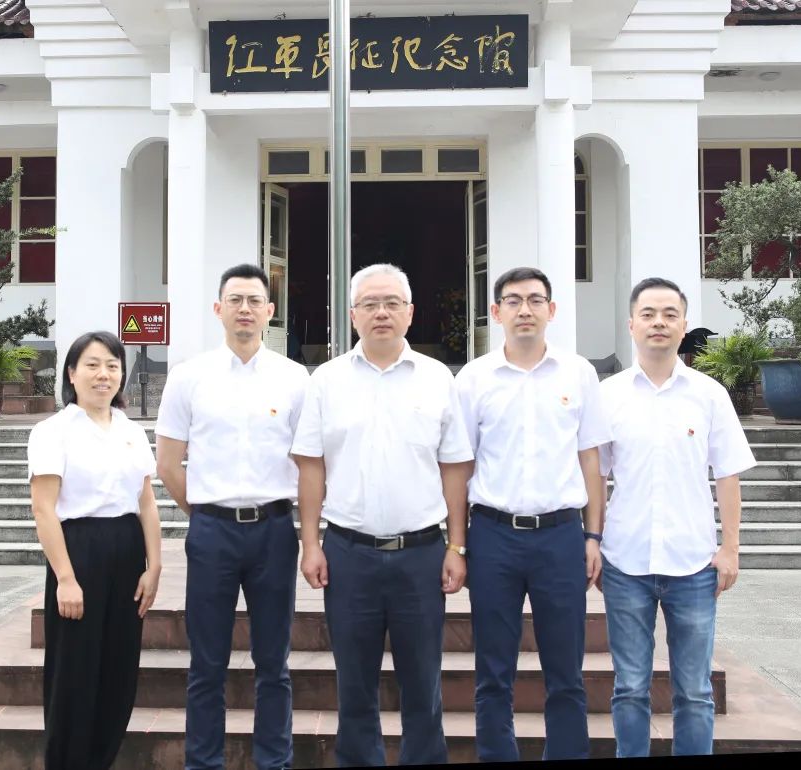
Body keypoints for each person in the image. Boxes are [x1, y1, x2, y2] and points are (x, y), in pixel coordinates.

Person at [291, 263, 474, 766]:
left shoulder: (437, 379)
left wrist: (456, 546)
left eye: (392, 303)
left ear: (410, 313)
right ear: (352, 315)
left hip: (421, 555)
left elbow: (454, 468)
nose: (381, 313)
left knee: (424, 685)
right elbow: (311, 467)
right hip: (349, 555)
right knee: (354, 687)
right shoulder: (326, 381)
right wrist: (311, 544)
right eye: (370, 304)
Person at [154, 263, 309, 770]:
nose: (245, 309)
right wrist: (204, 513)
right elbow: (167, 462)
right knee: (207, 663)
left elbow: (309, 461)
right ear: (218, 309)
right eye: (235, 300)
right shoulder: (189, 377)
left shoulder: (294, 379)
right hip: (212, 533)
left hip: (274, 532)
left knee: (274, 664)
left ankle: (274, 761)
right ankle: (203, 763)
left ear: (269, 311)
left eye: (254, 300)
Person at [455, 266, 611, 762]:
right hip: (493, 535)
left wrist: (593, 536)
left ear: (551, 310)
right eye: (514, 300)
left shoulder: (578, 374)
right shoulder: (474, 379)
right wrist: (457, 543)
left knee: (565, 672)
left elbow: (591, 460)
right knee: (492, 671)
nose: (525, 309)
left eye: (535, 300)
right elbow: (460, 466)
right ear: (496, 311)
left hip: (560, 537)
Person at [598, 277, 755, 757]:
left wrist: (730, 549)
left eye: (670, 314)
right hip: (624, 563)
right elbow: (594, 478)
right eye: (648, 314)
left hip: (694, 564)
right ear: (631, 324)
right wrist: (592, 542)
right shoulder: (609, 395)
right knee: (629, 688)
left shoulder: (709, 395)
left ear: (684, 325)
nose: (659, 323)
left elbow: (728, 474)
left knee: (695, 691)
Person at [27, 330, 162, 770]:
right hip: (79, 551)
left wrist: (154, 566)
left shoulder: (132, 431)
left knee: (119, 669)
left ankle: (101, 760)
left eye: (112, 366)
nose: (103, 374)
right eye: (92, 365)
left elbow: (146, 502)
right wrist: (65, 578)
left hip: (127, 551)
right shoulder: (53, 432)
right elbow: (44, 510)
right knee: (75, 671)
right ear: (71, 373)